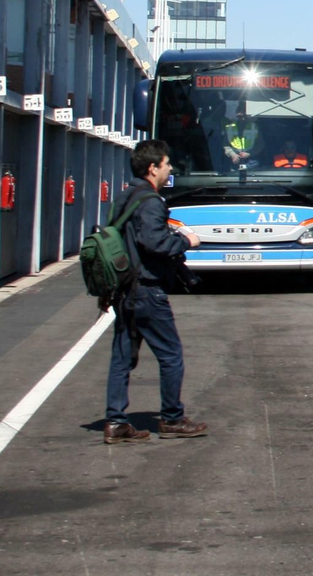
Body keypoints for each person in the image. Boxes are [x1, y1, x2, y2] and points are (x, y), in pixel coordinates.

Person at [103, 139, 209, 443]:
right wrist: (186, 242)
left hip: (123, 288)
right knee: (171, 354)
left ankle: (115, 421)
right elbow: (155, 243)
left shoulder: (125, 196)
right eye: (166, 163)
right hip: (147, 289)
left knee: (122, 357)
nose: (170, 168)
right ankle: (173, 418)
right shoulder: (150, 201)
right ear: (153, 168)